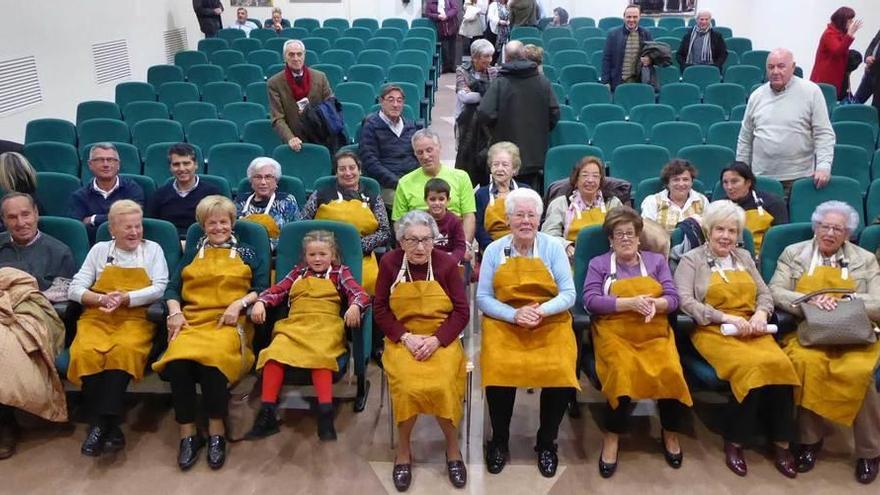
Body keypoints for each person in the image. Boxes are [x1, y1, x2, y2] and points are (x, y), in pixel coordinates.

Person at [674, 200, 800, 478]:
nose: (725, 236)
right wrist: (724, 318)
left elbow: (765, 294)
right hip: (714, 330)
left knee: (782, 365)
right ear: (708, 230)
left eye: (732, 231)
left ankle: (782, 442)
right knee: (750, 367)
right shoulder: (691, 259)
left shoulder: (744, 258)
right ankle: (735, 440)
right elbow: (684, 301)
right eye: (720, 229)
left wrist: (760, 314)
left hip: (754, 328)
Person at [152, 195, 269, 471]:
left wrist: (238, 303)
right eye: (211, 223)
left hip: (229, 322)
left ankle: (217, 432)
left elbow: (263, 288)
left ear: (232, 223)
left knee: (213, 361)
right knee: (178, 361)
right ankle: (188, 434)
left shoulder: (247, 252)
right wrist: (174, 312)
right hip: (192, 319)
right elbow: (172, 288)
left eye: (223, 222)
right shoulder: (193, 252)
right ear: (202, 226)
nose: (218, 228)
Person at [769, 201, 880, 485]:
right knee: (806, 365)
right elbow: (775, 291)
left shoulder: (865, 259)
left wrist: (846, 300)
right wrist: (809, 300)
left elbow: (879, 302)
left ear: (848, 234)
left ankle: (869, 451)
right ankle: (809, 442)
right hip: (808, 329)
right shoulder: (794, 254)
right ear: (816, 227)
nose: (830, 233)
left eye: (837, 229)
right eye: (825, 226)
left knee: (859, 374)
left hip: (855, 333)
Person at [584, 207, 693, 478]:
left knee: (670, 369)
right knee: (621, 370)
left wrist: (656, 303)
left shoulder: (656, 262)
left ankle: (670, 432)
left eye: (630, 233)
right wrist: (627, 303)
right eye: (618, 234)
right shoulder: (599, 264)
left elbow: (673, 298)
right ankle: (612, 436)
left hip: (653, 331)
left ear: (638, 237)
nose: (625, 239)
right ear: (610, 239)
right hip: (614, 332)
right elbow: (590, 301)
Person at [477, 188, 578, 478]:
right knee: (499, 368)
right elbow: (483, 298)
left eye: (530, 215)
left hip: (549, 320)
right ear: (508, 219)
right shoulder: (495, 250)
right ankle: (499, 440)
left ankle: (547, 443)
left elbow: (569, 293)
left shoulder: (552, 248)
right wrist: (514, 314)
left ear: (539, 218)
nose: (525, 221)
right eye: (518, 215)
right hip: (505, 321)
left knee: (559, 369)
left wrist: (540, 312)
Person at [374, 210, 469, 492]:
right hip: (403, 339)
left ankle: (453, 451)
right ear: (401, 242)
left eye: (426, 240)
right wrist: (405, 337)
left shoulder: (446, 264)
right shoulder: (390, 263)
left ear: (435, 241)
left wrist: (437, 340)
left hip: (442, 338)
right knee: (407, 386)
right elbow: (380, 309)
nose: (420, 247)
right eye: (412, 240)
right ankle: (403, 452)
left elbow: (462, 312)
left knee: (441, 384)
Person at [67, 200, 169, 457]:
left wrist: (126, 298)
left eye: (138, 226)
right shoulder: (100, 250)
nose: (135, 232)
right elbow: (75, 287)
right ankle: (110, 426)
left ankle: (100, 424)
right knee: (85, 352)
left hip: (136, 316)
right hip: (97, 315)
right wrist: (100, 299)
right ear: (112, 229)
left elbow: (159, 287)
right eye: (127, 228)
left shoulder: (153, 250)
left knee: (123, 350)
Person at [247, 230, 370, 442]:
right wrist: (261, 301)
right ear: (306, 257)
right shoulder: (298, 273)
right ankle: (267, 412)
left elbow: (360, 294)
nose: (317, 259)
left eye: (322, 254)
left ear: (332, 255)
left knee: (321, 354)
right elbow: (277, 290)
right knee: (273, 353)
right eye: (312, 255)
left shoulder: (340, 273)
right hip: (295, 324)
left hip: (326, 325)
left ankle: (325, 414)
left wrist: (355, 307)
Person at [736, 48, 836, 196]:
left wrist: (823, 166)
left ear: (793, 67)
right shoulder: (756, 96)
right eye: (771, 67)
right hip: (762, 180)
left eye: (781, 66)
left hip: (799, 178)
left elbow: (824, 133)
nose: (775, 71)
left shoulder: (811, 92)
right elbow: (745, 138)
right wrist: (742, 173)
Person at [299, 151, 391, 294]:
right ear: (336, 172)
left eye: (352, 168)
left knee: (368, 285)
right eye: (342, 169)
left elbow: (385, 231)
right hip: (323, 255)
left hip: (361, 255)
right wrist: (329, 247)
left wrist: (356, 246)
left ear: (359, 170)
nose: (348, 173)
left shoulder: (373, 197)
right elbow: (302, 224)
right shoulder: (320, 195)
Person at [0, 264, 67, 460]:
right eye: (15, 228)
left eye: (29, 228)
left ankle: (5, 424)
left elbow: (65, 288)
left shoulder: (56, 250)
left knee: (7, 350)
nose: (21, 229)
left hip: (27, 305)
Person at [478, 40, 560, 191]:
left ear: (506, 58)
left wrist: (496, 129)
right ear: (523, 55)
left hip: (505, 154)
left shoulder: (500, 83)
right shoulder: (543, 82)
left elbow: (484, 112)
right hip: (535, 154)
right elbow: (554, 113)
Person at [391, 129, 476, 258]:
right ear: (415, 154)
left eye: (429, 150)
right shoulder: (404, 183)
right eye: (420, 152)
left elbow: (469, 216)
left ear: (439, 148)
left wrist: (465, 246)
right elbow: (399, 223)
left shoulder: (461, 177)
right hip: (418, 248)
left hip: (454, 244)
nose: (425, 156)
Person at [542, 156, 623, 257]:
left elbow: (623, 230)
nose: (590, 180)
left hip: (607, 258)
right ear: (576, 180)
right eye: (585, 175)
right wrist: (566, 246)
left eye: (595, 176)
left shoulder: (613, 203)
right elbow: (548, 235)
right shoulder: (561, 204)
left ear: (601, 180)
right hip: (572, 259)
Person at [68, 143, 145, 243]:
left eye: (110, 160)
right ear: (90, 164)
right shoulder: (79, 196)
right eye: (100, 160)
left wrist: (93, 219)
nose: (106, 164)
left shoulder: (132, 190)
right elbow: (77, 230)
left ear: (118, 165)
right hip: (93, 247)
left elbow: (131, 218)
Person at [358, 84, 420, 207]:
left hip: (411, 181)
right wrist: (398, 182)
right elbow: (370, 162)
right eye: (390, 100)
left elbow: (417, 156)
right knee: (408, 203)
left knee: (435, 198)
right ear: (381, 102)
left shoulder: (410, 125)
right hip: (386, 184)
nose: (395, 105)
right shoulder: (370, 125)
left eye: (399, 100)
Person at [0, 193, 74, 292]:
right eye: (12, 217)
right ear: (3, 220)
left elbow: (62, 297)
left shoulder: (60, 253)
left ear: (36, 213)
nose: (21, 223)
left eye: (25, 215)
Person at [267, 40, 332, 152]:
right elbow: (277, 118)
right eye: (291, 54)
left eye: (299, 54)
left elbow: (331, 106)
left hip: (321, 138)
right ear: (285, 57)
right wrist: (290, 138)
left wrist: (312, 112)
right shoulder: (274, 83)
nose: (296, 58)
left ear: (304, 55)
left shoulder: (320, 77)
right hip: (294, 143)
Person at [148, 143, 221, 239]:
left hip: (202, 243)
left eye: (186, 163)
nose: (181, 169)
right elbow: (153, 229)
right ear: (170, 168)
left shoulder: (212, 193)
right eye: (176, 164)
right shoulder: (159, 195)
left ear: (196, 165)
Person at [716, 162, 788, 254]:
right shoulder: (718, 207)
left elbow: (780, 238)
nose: (729, 187)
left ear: (748, 183)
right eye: (725, 182)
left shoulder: (773, 203)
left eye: (734, 182)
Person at [455, 38, 499, 187]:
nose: (489, 60)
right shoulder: (462, 70)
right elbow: (465, 97)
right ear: (474, 57)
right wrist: (487, 94)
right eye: (485, 57)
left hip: (486, 124)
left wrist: (476, 91)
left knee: (484, 159)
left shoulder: (494, 71)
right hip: (466, 123)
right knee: (465, 159)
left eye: (490, 56)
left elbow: (496, 96)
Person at [234, 157, 299, 251]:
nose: (263, 182)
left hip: (276, 255)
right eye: (258, 177)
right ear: (251, 181)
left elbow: (294, 234)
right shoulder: (240, 201)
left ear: (276, 181)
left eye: (268, 177)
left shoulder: (287, 201)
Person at [475, 141, 529, 252]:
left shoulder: (526, 192)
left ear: (514, 169)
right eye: (495, 164)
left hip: (522, 248)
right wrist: (493, 249)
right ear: (490, 167)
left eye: (505, 165)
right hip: (491, 249)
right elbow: (478, 228)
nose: (499, 169)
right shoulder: (481, 194)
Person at [640, 160, 710, 234]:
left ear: (692, 182)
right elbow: (647, 233)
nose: (681, 184)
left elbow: (709, 229)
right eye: (676, 180)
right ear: (667, 183)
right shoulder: (652, 201)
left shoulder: (702, 200)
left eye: (685, 179)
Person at [810, 7, 862, 100]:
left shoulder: (840, 34)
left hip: (835, 78)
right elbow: (838, 52)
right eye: (849, 21)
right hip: (824, 79)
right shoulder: (829, 34)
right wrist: (849, 36)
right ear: (842, 21)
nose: (851, 23)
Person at [602, 5, 654, 91]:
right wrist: (605, 81)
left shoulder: (646, 33)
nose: (631, 20)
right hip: (618, 84)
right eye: (628, 17)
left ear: (639, 17)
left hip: (640, 84)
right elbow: (606, 59)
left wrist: (650, 59)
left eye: (635, 17)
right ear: (624, 17)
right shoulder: (613, 34)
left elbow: (654, 55)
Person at [425, 178, 467, 264]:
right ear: (426, 200)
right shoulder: (420, 220)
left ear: (448, 200)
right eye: (432, 199)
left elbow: (460, 247)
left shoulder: (455, 221)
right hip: (426, 260)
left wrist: (450, 261)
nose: (437, 203)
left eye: (441, 199)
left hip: (449, 260)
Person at [425, 0, 461, 74]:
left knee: (452, 46)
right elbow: (428, 13)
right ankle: (445, 66)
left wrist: (447, 16)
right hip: (440, 26)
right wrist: (438, 16)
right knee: (444, 47)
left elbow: (455, 9)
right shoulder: (430, 2)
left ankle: (452, 66)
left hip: (451, 25)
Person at [854, 27, 879, 109]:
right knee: (856, 102)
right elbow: (872, 45)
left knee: (876, 108)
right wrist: (867, 57)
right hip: (870, 72)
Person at [486, 0, 510, 64]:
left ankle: (495, 63)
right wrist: (499, 21)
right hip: (494, 30)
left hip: (504, 31)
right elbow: (490, 16)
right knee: (491, 49)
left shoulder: (508, 5)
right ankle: (490, 64)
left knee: (498, 50)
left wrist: (508, 22)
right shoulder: (493, 5)